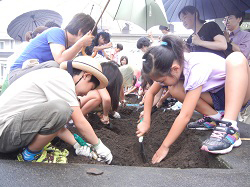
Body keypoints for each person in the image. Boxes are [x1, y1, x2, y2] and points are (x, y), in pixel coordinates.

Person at [137, 35, 250, 164]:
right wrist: (146, 120)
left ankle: (229, 127)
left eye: (161, 81)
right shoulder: (172, 64)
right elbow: (151, 93)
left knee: (236, 58)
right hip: (217, 96)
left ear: (175, 69)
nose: (160, 84)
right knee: (174, 88)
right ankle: (215, 117)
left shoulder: (195, 67)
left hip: (239, 93)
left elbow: (185, 115)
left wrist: (164, 146)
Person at [0, 56, 113, 164]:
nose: (87, 93)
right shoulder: (63, 79)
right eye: (91, 88)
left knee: (66, 108)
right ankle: (30, 156)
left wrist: (77, 145)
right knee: (63, 108)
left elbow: (55, 126)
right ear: (86, 76)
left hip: (10, 132)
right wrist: (98, 146)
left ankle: (31, 149)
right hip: (5, 135)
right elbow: (79, 121)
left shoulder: (57, 76)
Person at [8, 13, 96, 85]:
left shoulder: (67, 46)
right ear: (80, 32)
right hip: (17, 74)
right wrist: (81, 43)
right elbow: (60, 59)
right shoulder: (56, 32)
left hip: (29, 73)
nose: (90, 43)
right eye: (90, 39)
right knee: (54, 66)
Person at [1, 26, 49, 94]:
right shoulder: (30, 47)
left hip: (10, 79)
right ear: (39, 35)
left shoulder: (27, 45)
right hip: (13, 81)